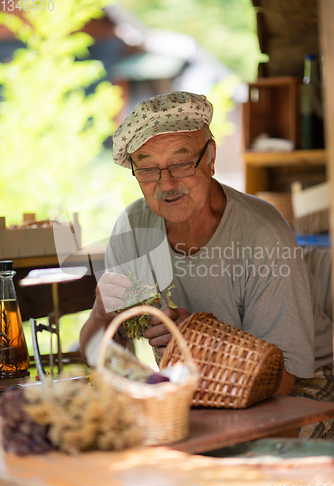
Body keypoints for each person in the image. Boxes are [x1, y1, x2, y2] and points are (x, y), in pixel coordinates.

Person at [80, 91, 333, 435]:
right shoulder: (133, 228)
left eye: (182, 163)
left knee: (241, 459)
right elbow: (106, 359)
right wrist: (100, 313)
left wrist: (200, 341)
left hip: (303, 385)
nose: (165, 184)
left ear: (210, 157)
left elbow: (281, 383)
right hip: (195, 391)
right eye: (148, 168)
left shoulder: (263, 234)